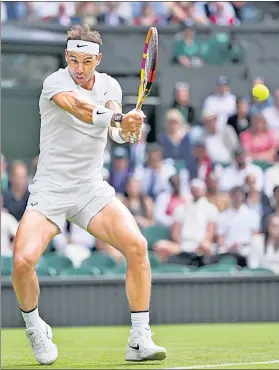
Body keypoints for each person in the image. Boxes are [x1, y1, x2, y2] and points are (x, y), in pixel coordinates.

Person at [12, 24, 167, 365]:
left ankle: (140, 338)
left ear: (98, 59)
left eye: (86, 61)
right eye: (72, 60)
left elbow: (115, 130)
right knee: (23, 261)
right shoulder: (55, 83)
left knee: (138, 247)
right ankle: (36, 327)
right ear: (66, 57)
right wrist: (118, 117)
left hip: (90, 189)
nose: (79, 69)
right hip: (51, 189)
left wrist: (126, 129)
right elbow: (82, 109)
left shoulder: (110, 85)